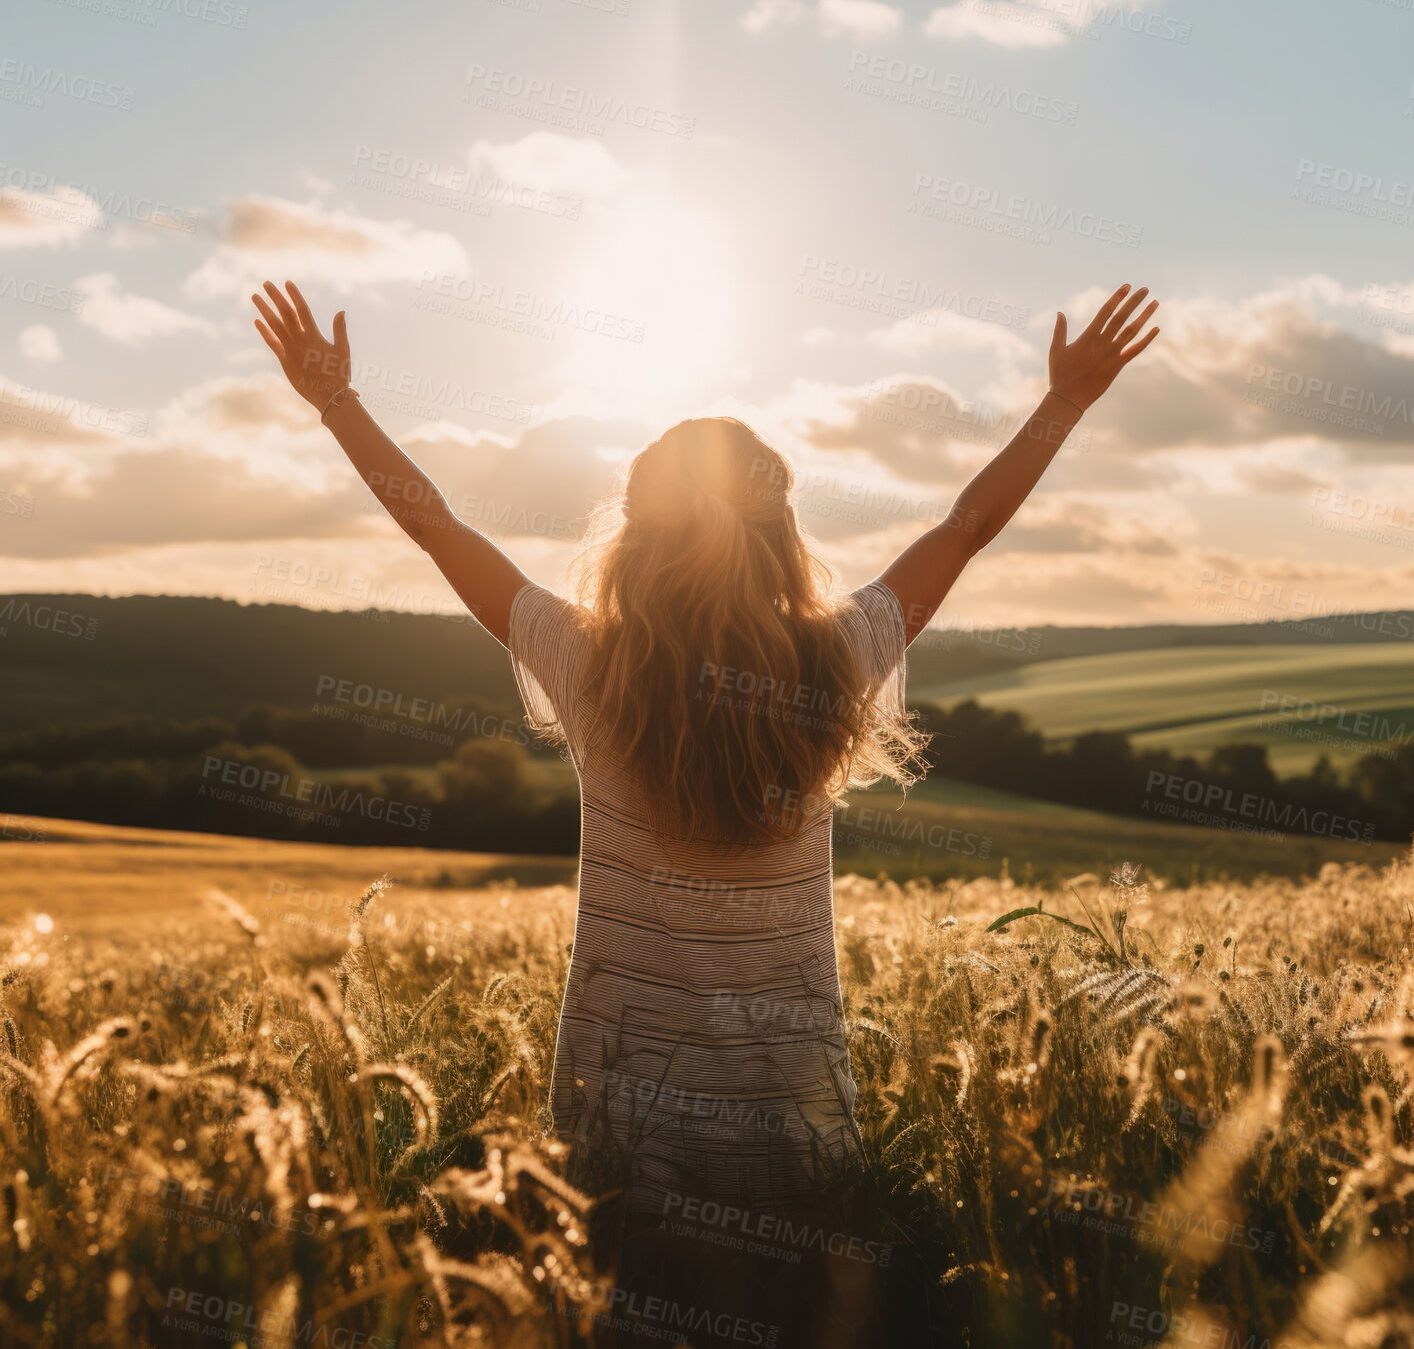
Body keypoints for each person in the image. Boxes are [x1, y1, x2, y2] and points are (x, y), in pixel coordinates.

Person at [253, 277, 1159, 1346]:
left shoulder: (587, 663)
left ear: (632, 536)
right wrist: (1065, 403)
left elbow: (437, 527)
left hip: (615, 1126)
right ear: (782, 533)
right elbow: (964, 528)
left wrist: (337, 406)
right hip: (797, 1124)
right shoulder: (842, 656)